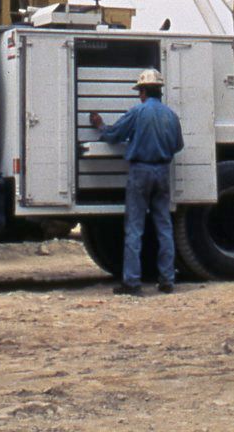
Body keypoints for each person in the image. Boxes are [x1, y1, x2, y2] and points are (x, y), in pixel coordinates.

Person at [89, 67, 184, 296]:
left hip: (140, 171)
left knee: (134, 228)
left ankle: (132, 282)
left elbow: (114, 135)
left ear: (143, 92)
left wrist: (100, 125)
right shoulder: (171, 115)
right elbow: (178, 145)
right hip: (162, 171)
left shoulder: (138, 112)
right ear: (159, 91)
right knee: (164, 227)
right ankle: (167, 280)